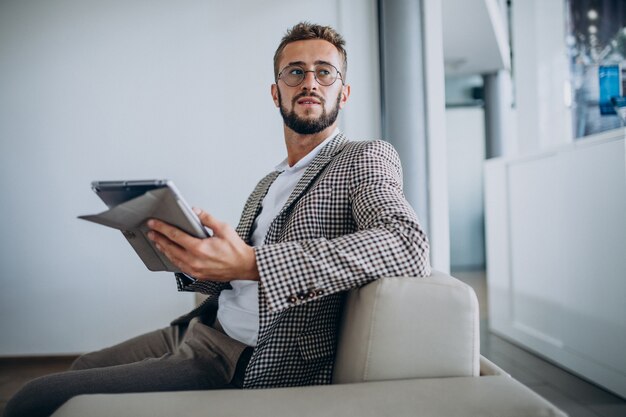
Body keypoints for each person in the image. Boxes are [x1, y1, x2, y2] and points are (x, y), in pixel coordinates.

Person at [4, 22, 430, 417]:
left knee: (37, 397)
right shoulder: (271, 181)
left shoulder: (363, 158)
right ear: (275, 91)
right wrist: (190, 255)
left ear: (345, 91)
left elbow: (407, 245)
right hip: (202, 326)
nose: (310, 83)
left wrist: (252, 263)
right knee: (85, 365)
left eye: (325, 72)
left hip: (241, 355)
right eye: (295, 72)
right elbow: (233, 275)